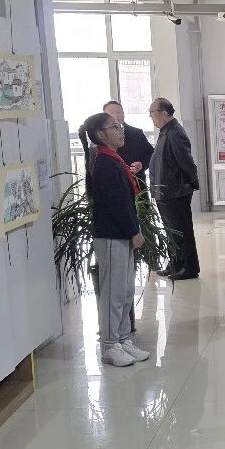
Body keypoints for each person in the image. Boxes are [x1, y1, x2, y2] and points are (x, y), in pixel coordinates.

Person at [78, 111, 150, 367]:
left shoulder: (112, 158)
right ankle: (109, 345)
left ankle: (122, 338)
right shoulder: (105, 162)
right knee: (113, 292)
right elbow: (117, 203)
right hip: (111, 235)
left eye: (119, 126)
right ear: (100, 134)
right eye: (114, 127)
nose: (121, 130)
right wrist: (134, 230)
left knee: (125, 289)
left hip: (120, 233)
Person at [148, 97, 201, 280]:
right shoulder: (166, 131)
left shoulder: (175, 132)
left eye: (152, 113)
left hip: (175, 191)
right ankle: (175, 263)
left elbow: (186, 161)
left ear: (164, 113)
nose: (151, 117)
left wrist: (193, 183)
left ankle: (189, 268)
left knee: (181, 231)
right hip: (166, 192)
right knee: (172, 231)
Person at [103, 100, 154, 184]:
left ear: (123, 114)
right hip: (112, 183)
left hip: (137, 183)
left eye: (118, 112)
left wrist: (141, 165)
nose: (115, 115)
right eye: (111, 113)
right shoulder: (101, 135)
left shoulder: (136, 133)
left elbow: (150, 153)